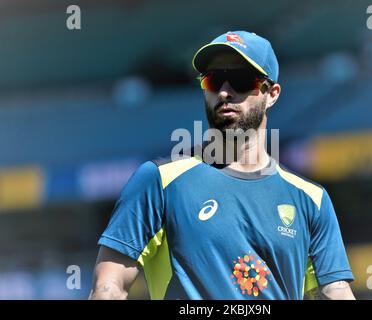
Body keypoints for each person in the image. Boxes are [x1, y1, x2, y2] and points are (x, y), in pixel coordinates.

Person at [89, 31, 355, 300]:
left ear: (272, 93)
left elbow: (336, 292)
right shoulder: (159, 181)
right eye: (214, 80)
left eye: (240, 80)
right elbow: (108, 288)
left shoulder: (312, 199)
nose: (225, 92)